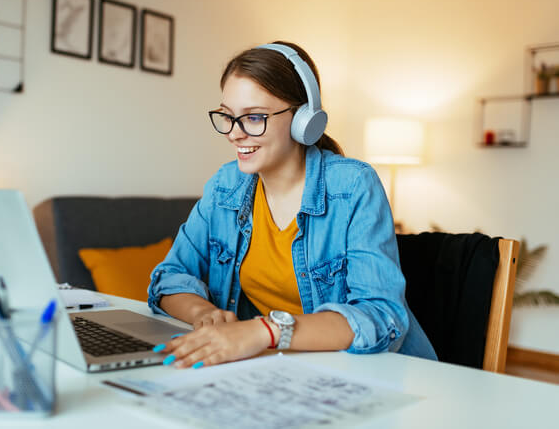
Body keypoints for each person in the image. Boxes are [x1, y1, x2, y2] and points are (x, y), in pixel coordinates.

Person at [147, 41, 437, 369]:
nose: (235, 134)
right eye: (227, 117)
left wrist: (263, 331)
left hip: (374, 373)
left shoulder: (353, 186)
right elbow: (170, 277)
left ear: (304, 119)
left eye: (254, 117)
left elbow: (381, 317)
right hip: (280, 369)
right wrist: (206, 315)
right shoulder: (225, 186)